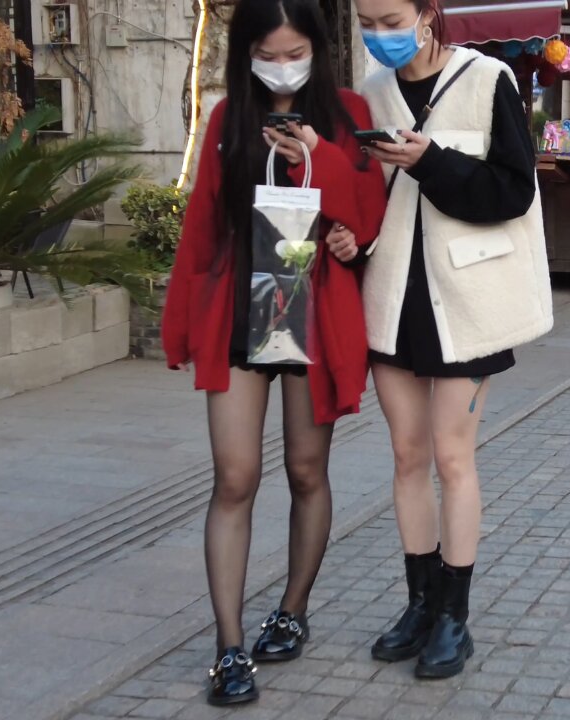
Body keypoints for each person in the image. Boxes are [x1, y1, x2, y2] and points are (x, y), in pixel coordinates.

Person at [161, 0, 386, 705]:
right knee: (234, 476)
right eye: (271, 52)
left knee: (305, 468)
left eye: (296, 52)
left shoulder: (346, 112)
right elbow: (203, 220)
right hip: (238, 308)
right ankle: (229, 648)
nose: (284, 65)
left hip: (312, 307)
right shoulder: (229, 117)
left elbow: (367, 212)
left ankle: (292, 609)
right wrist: (181, 324)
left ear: (318, 50)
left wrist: (317, 158)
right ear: (246, 51)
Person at [329, 0, 554, 680]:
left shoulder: (488, 79)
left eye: (391, 16)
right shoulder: (369, 94)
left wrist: (430, 160)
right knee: (406, 455)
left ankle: (456, 616)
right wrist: (349, 235)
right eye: (368, 19)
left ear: (428, 13)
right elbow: (362, 194)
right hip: (392, 297)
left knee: (453, 458)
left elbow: (513, 193)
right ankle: (420, 604)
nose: (379, 32)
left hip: (467, 302)